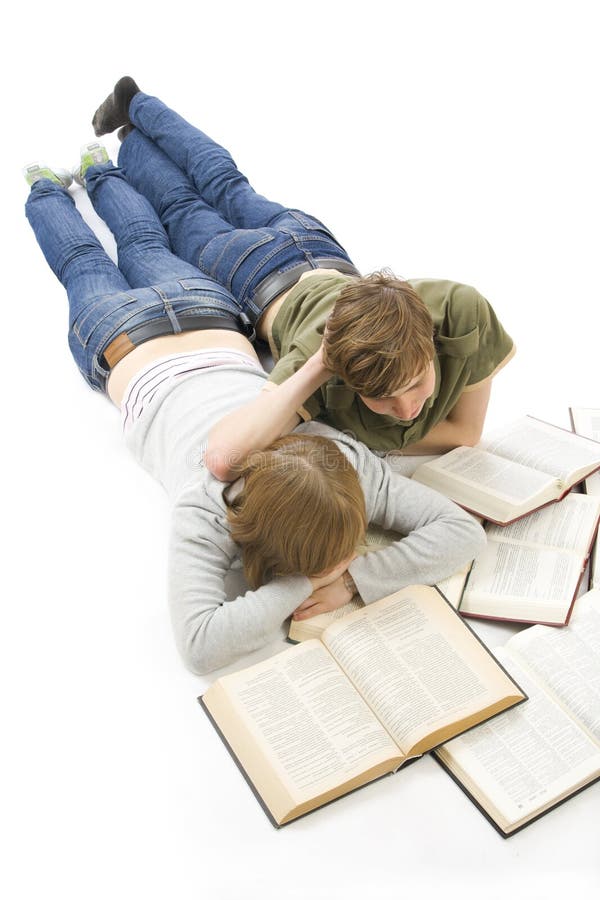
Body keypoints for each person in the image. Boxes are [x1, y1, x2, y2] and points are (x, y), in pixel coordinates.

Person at [24, 152, 486, 675]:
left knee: (132, 247)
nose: (345, 561)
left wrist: (355, 577)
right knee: (88, 258)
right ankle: (58, 183)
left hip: (202, 316)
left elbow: (461, 532)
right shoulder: (206, 511)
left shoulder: (343, 461)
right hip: (145, 334)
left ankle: (96, 172)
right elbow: (199, 648)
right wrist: (306, 583)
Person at [91, 78, 516, 482]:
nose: (406, 409)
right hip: (254, 272)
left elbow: (467, 433)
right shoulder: (323, 356)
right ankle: (132, 144)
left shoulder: (461, 309)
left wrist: (372, 432)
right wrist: (319, 369)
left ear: (427, 337)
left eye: (416, 382)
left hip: (321, 249)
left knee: (228, 185)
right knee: (186, 207)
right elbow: (222, 457)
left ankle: (137, 112)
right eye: (384, 398)